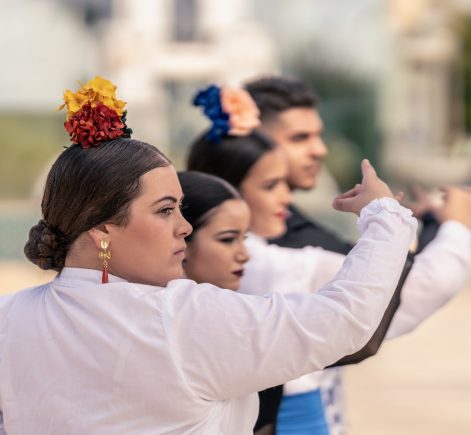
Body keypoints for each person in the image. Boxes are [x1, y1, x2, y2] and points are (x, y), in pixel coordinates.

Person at [0, 77, 417, 434]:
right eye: (165, 210)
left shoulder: (10, 318)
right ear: (102, 227)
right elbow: (343, 322)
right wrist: (385, 214)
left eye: (181, 208)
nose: (184, 226)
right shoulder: (178, 318)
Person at [187, 84, 471, 434]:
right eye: (299, 137)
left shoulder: (273, 246)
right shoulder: (273, 261)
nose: (319, 150)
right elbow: (402, 296)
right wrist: (445, 226)